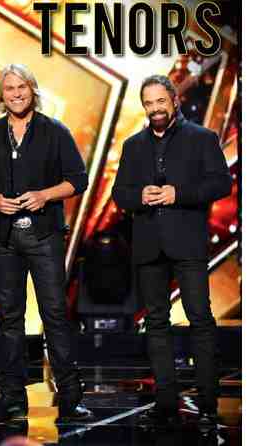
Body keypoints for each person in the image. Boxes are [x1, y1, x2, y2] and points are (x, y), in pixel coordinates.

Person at [0, 64, 93, 422]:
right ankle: (11, 398)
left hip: (45, 236)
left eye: (22, 87)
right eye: (9, 88)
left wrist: (44, 195)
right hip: (4, 238)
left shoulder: (55, 131)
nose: (16, 94)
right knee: (10, 318)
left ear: (32, 90)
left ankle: (70, 398)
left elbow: (78, 179)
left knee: (55, 314)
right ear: (1, 95)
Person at [112, 75, 232, 430]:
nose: (155, 109)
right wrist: (140, 196)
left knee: (200, 319)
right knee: (157, 323)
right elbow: (120, 193)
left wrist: (178, 194)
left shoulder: (202, 138)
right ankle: (165, 403)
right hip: (149, 245)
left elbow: (221, 183)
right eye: (149, 104)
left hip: (188, 242)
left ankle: (208, 404)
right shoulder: (133, 145)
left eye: (160, 101)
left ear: (174, 100)